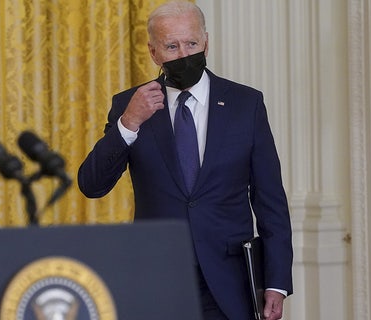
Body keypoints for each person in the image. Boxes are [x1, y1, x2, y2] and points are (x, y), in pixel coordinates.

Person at [77, 1, 293, 319]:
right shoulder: (129, 104)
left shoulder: (245, 104)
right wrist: (129, 123)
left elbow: (270, 199)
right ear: (153, 52)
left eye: (191, 43)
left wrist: (276, 281)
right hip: (159, 281)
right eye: (172, 46)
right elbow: (92, 185)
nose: (183, 55)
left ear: (206, 42)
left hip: (230, 280)